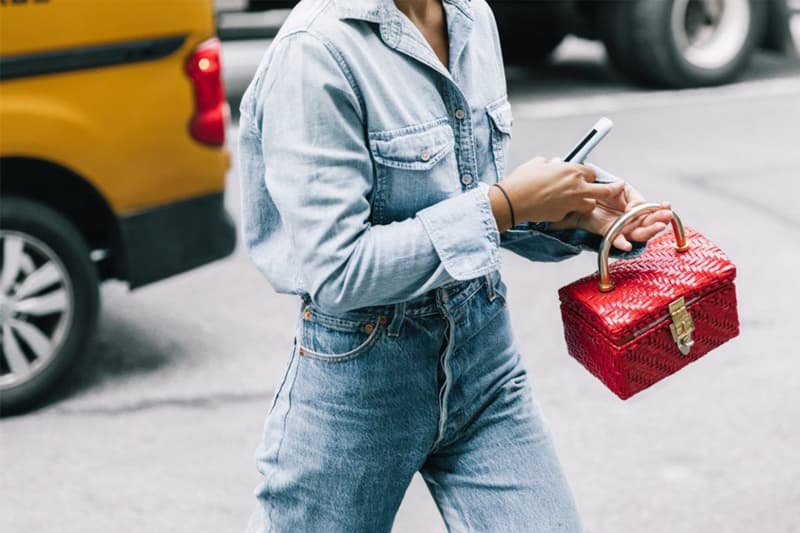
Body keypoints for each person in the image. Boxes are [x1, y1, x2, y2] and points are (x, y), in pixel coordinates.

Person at [238, 0, 672, 531]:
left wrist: (571, 213)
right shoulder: (316, 50)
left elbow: (463, 199)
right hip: (361, 379)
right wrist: (508, 205)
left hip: (484, 357)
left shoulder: (472, 16)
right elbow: (338, 271)